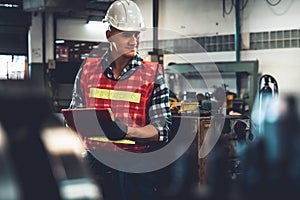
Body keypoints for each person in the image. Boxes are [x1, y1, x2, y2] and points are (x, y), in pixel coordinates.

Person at [68, 0, 172, 199]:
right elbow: (74, 118)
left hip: (136, 170)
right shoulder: (88, 69)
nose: (133, 41)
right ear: (109, 35)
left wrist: (126, 130)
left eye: (136, 34)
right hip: (94, 165)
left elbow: (161, 129)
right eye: (126, 34)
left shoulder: (153, 74)